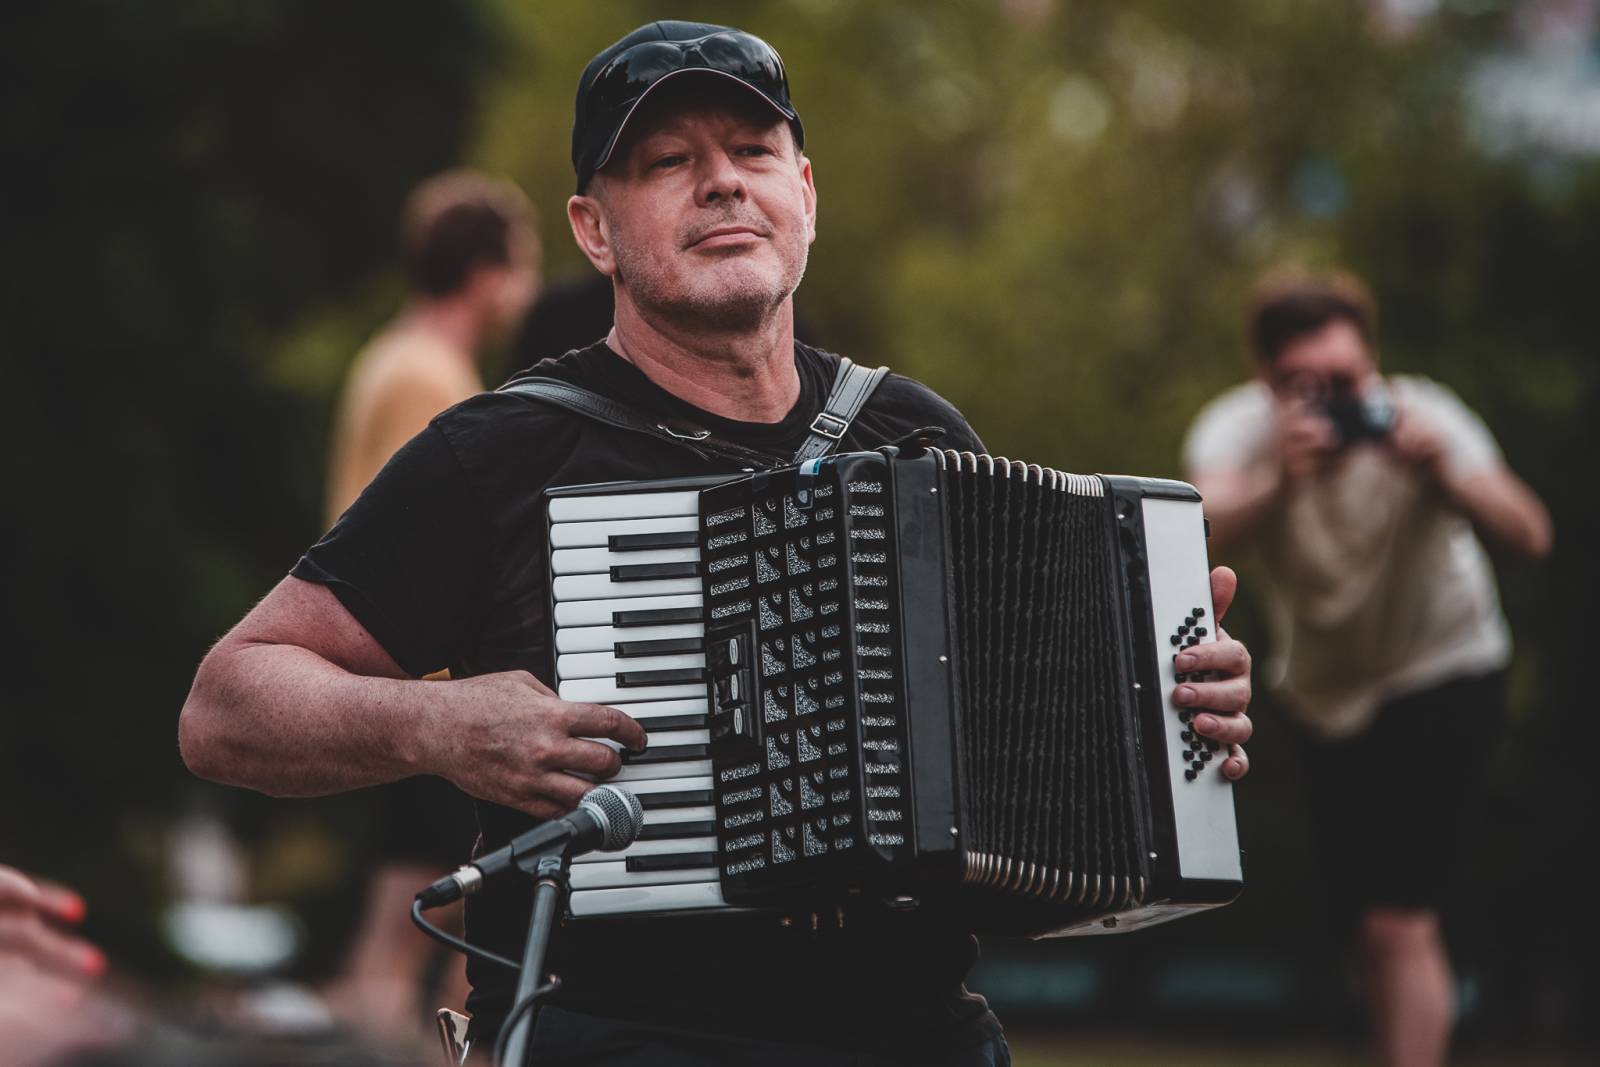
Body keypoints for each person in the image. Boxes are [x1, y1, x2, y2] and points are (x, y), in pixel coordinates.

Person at [179, 21, 1255, 1065]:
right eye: (667, 162)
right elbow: (224, 704)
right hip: (619, 1029)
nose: (724, 181)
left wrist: (1163, 712)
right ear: (594, 230)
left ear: (805, 196)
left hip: (917, 1027)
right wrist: (433, 721)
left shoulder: (917, 438)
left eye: (753, 151)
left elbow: (1020, 782)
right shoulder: (499, 451)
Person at [1182, 272, 1550, 1067]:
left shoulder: (1426, 413)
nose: (1332, 404)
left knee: (1399, 921)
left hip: (1444, 668)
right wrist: (1283, 478)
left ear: (1373, 363)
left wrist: (1443, 469)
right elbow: (1191, 536)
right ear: (1266, 383)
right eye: (1301, 387)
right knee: (1359, 935)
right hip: (1324, 694)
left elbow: (1530, 532)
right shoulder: (1242, 433)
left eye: (1345, 383)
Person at [319, 171, 541, 1044]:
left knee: (405, 924)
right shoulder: (430, 377)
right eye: (521, 265)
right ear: (487, 273)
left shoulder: (393, 356)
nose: (525, 288)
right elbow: (441, 552)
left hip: (397, 679)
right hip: (432, 686)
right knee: (455, 932)